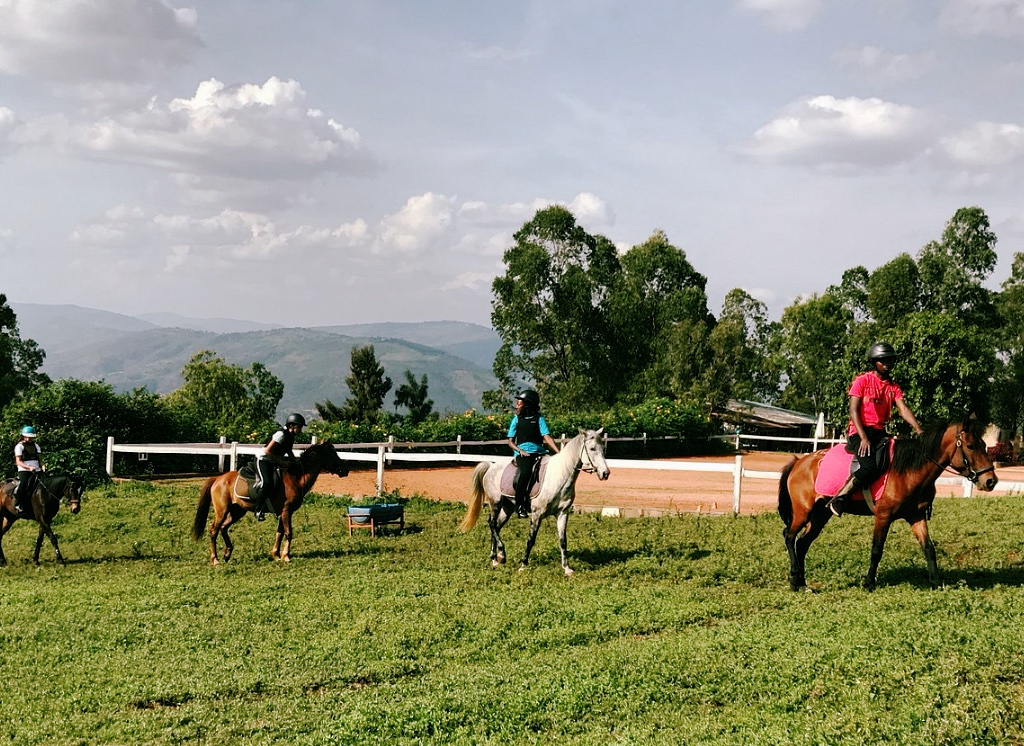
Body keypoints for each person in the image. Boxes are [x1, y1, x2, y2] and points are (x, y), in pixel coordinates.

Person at [828, 342, 923, 517]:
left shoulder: (893, 387)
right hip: (859, 432)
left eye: (890, 361)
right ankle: (841, 497)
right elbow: (853, 410)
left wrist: (918, 430)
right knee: (869, 466)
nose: (887, 364)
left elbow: (903, 409)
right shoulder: (862, 381)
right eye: (883, 361)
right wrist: (863, 437)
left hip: (879, 433)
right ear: (874, 362)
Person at [507, 389, 559, 518]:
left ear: (527, 403)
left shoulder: (539, 419)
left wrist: (559, 453)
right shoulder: (516, 420)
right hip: (523, 454)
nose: (517, 402)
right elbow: (510, 441)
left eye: (520, 400)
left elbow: (546, 437)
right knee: (525, 473)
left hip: (539, 452)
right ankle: (520, 506)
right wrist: (520, 451)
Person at [254, 413, 305, 521]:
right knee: (267, 482)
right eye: (299, 427)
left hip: (274, 461)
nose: (300, 430)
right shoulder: (280, 434)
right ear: (292, 426)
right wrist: (281, 462)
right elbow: (267, 451)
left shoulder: (291, 436)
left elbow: (288, 450)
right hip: (263, 460)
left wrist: (296, 462)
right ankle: (258, 510)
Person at [13, 425, 44, 515]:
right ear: (24, 436)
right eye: (28, 437)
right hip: (24, 469)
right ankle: (18, 504)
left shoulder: (36, 445)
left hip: (36, 469)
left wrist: (43, 465)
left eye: (31, 437)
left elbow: (39, 459)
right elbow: (18, 462)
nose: (30, 439)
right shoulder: (19, 446)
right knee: (23, 484)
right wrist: (28, 467)